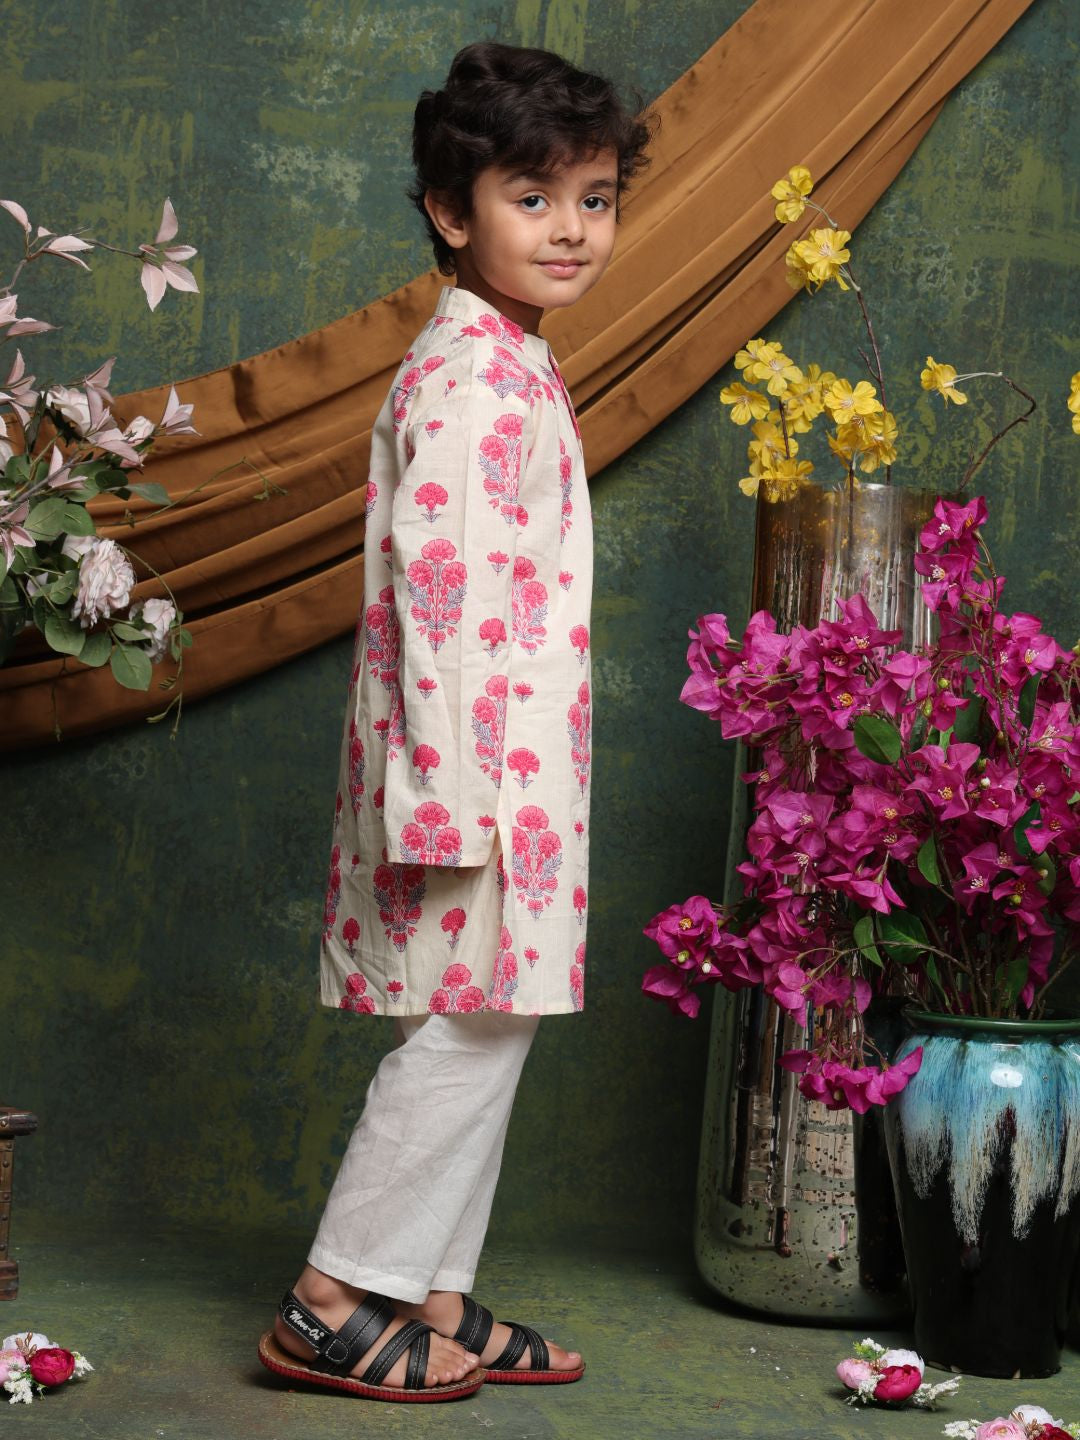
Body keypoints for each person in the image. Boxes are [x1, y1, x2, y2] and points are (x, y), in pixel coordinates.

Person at [258, 40, 652, 1403]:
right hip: (477, 770)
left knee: (500, 1008)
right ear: (449, 207)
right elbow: (443, 599)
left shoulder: (510, 355)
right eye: (532, 198)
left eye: (594, 199)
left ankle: (426, 1289)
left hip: (518, 761)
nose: (570, 230)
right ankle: (334, 1293)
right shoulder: (479, 378)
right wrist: (444, 791)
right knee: (476, 1020)